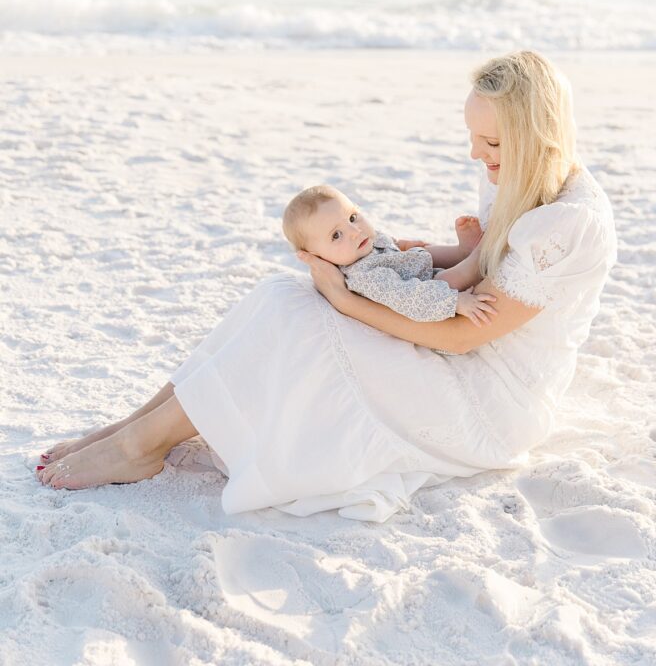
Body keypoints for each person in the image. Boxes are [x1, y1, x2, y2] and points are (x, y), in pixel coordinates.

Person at [37, 50, 617, 524]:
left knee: (302, 316)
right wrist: (401, 258)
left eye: (490, 143)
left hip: (487, 398)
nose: (475, 154)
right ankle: (136, 427)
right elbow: (479, 261)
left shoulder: (567, 224)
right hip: (452, 342)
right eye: (474, 137)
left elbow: (463, 338)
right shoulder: (514, 172)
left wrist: (344, 299)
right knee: (278, 295)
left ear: (536, 134)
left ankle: (140, 447)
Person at [282, 183, 497, 325]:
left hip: (413, 267)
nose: (355, 232)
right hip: (425, 296)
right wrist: (455, 302)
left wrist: (403, 245)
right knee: (442, 278)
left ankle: (462, 251)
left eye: (352, 217)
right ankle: (476, 262)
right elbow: (409, 297)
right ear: (315, 256)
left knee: (423, 252)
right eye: (336, 235)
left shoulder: (361, 245)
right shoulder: (365, 277)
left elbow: (390, 244)